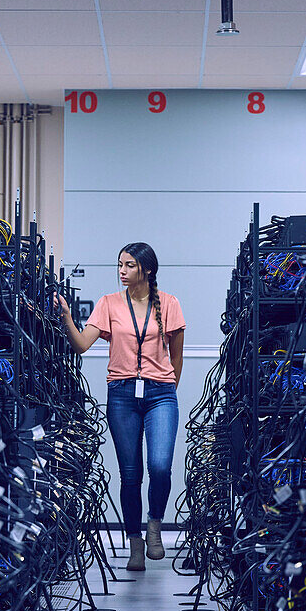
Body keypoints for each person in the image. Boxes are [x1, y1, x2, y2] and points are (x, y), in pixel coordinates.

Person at [55, 242, 185, 571]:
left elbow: (177, 355)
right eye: (120, 265)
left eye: (128, 265)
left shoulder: (169, 304)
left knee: (159, 466)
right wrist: (68, 317)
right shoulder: (108, 304)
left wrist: (169, 387)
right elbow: (82, 345)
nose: (121, 271)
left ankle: (154, 525)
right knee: (131, 474)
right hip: (122, 394)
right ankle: (136, 544)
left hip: (161, 395)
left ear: (147, 270)